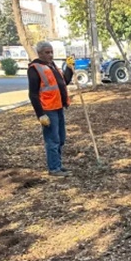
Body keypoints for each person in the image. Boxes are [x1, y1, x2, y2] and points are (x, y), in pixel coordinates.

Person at [27, 41, 74, 177]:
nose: (50, 55)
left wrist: (69, 68)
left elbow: (64, 81)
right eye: (47, 52)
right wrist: (40, 114)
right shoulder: (35, 68)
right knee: (52, 139)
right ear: (40, 53)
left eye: (51, 52)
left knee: (61, 138)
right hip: (48, 109)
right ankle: (54, 168)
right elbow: (33, 94)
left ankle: (58, 164)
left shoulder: (52, 66)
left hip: (58, 107)